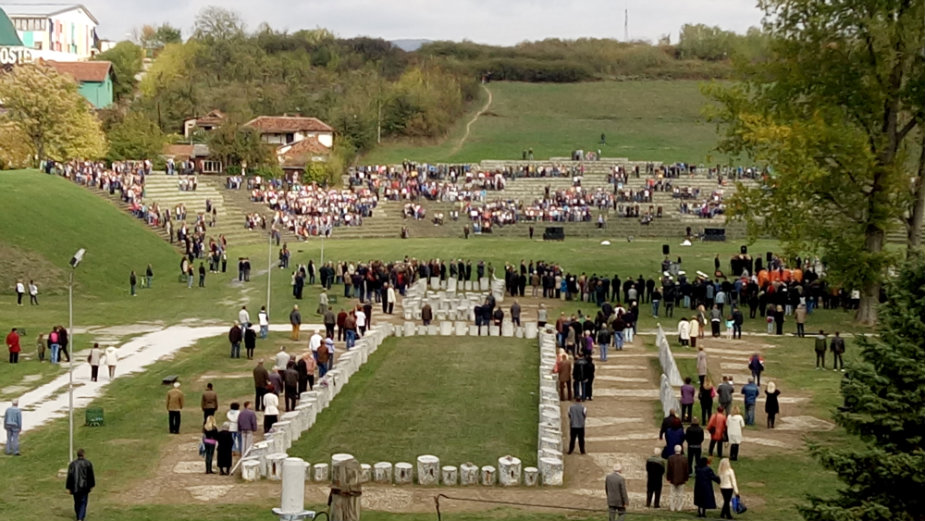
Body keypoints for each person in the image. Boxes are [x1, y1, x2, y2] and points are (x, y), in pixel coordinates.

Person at [66, 448, 95, 521]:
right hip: (85, 487)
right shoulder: (88, 463)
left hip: (75, 487)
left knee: (77, 502)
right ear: (83, 455)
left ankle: (79, 515)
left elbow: (70, 476)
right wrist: (91, 485)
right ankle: (80, 518)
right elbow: (90, 475)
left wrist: (68, 487)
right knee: (83, 502)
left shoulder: (72, 464)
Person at [666, 444, 690, 512]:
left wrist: (668, 477)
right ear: (681, 450)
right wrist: (686, 478)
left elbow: (669, 469)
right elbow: (686, 470)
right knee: (680, 494)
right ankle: (679, 508)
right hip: (682, 479)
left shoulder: (670, 458)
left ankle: (672, 507)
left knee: (672, 494)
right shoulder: (684, 458)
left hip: (673, 478)